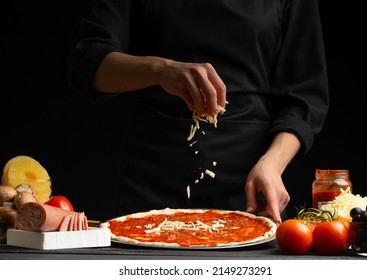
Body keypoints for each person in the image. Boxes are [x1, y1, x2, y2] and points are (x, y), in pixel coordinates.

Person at [68, 0, 329, 223]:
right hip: (154, 176)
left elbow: (304, 95)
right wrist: (161, 70)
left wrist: (272, 164)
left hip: (252, 185)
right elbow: (90, 63)